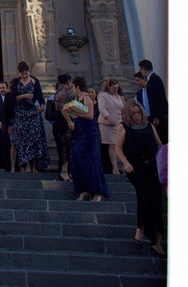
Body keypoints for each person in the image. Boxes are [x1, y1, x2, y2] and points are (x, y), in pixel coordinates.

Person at [115, 100, 165, 255]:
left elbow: (159, 145)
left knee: (157, 200)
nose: (136, 116)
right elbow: (118, 147)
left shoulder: (149, 126)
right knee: (143, 194)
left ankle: (157, 242)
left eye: (138, 113)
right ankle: (140, 228)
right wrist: (125, 163)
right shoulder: (124, 127)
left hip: (152, 167)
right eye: (133, 113)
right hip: (136, 167)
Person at [62, 75, 110, 202]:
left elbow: (89, 115)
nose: (72, 88)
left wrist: (75, 112)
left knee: (92, 160)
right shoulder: (77, 99)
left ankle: (98, 192)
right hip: (80, 131)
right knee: (78, 159)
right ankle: (84, 189)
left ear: (77, 87)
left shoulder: (87, 97)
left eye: (73, 86)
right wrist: (69, 116)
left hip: (89, 132)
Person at [9, 62, 50, 173]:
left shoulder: (35, 81)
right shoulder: (16, 82)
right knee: (23, 140)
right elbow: (13, 98)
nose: (24, 76)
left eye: (26, 73)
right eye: (22, 74)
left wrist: (42, 106)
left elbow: (40, 96)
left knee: (35, 139)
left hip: (33, 112)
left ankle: (35, 165)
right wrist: (25, 95)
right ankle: (26, 165)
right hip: (21, 114)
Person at [98, 77, 126, 174]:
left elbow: (122, 108)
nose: (115, 89)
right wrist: (109, 118)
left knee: (119, 144)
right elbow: (101, 108)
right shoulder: (103, 95)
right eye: (114, 88)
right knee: (112, 145)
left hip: (118, 123)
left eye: (117, 88)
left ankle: (120, 165)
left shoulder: (118, 96)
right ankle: (115, 167)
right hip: (107, 124)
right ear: (108, 87)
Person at [137, 60, 168, 144]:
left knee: (163, 139)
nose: (141, 71)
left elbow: (159, 99)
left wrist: (157, 116)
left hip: (158, 117)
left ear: (144, 69)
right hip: (152, 116)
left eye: (141, 69)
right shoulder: (150, 80)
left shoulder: (154, 79)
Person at [52, 73, 73, 181]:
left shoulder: (61, 91)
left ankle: (66, 171)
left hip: (60, 121)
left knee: (66, 147)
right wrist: (70, 121)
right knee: (64, 147)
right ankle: (64, 172)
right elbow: (64, 109)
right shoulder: (63, 92)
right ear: (69, 81)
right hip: (62, 121)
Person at [0, 81, 12, 171]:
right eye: (0, 88)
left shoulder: (11, 97)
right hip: (2, 128)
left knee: (13, 147)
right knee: (4, 149)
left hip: (11, 127)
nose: (2, 90)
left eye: (3, 88)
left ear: (7, 88)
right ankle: (6, 167)